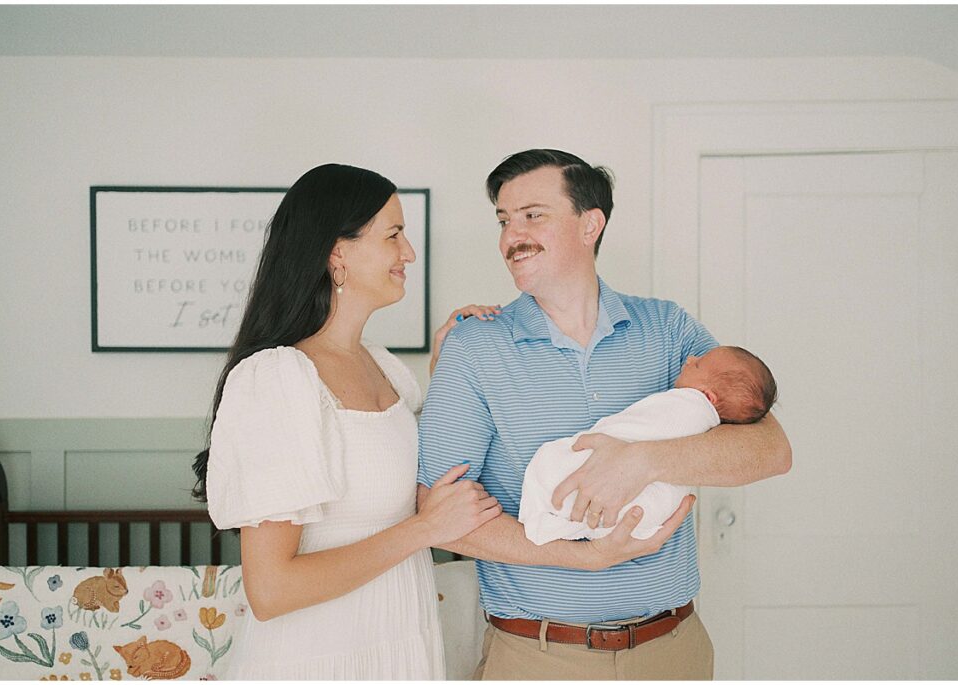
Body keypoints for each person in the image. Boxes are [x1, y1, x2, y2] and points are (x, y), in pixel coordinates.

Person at [417, 149, 792, 680]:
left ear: (591, 224)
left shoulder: (668, 330)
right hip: (537, 656)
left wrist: (640, 462)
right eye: (504, 220)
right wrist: (586, 557)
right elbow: (437, 513)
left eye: (533, 215)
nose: (510, 237)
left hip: (674, 649)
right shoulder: (474, 347)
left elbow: (771, 450)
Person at [190, 163, 502, 680]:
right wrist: (423, 530)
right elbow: (271, 591)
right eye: (394, 235)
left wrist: (449, 373)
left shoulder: (386, 369)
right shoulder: (277, 378)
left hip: (399, 645)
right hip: (321, 659)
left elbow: (406, 471)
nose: (409, 254)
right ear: (338, 253)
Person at [519, 345, 777, 545]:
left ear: (708, 396)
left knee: (555, 462)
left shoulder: (688, 407)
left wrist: (639, 460)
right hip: (649, 516)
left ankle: (563, 511)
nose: (689, 359)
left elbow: (777, 453)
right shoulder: (708, 416)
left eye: (697, 365)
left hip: (672, 612)